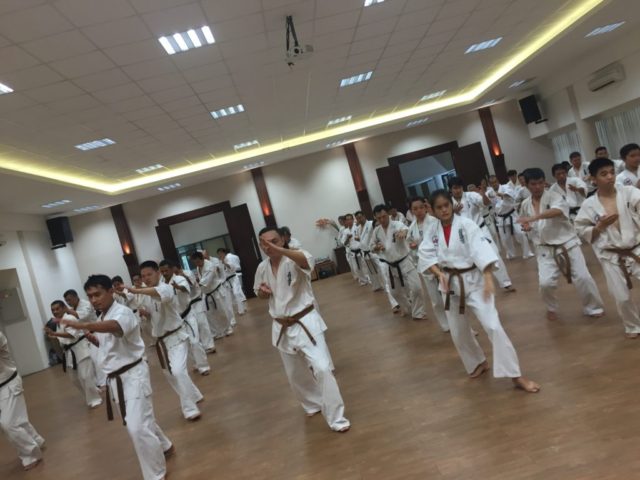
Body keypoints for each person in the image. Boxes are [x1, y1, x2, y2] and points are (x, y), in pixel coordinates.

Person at [418, 190, 540, 393]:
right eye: (439, 207)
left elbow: (481, 252)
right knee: (458, 331)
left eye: (446, 205)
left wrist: (488, 278)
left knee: (493, 326)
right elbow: (425, 254)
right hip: (449, 284)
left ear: (451, 205)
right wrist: (438, 273)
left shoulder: (467, 225)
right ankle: (477, 362)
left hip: (474, 281)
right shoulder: (432, 230)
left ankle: (516, 375)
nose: (444, 210)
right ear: (432, 210)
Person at [61, 275, 173, 480]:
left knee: (137, 427)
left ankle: (156, 474)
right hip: (116, 380)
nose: (94, 300)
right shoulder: (101, 318)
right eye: (90, 296)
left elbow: (115, 327)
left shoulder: (122, 312)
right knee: (137, 420)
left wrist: (83, 326)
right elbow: (110, 345)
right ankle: (165, 445)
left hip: (133, 375)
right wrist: (96, 340)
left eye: (98, 294)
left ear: (111, 292)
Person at [254, 227, 350, 432]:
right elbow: (259, 294)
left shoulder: (296, 257)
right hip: (281, 325)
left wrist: (280, 250)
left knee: (322, 368)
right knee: (295, 375)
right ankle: (313, 402)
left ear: (283, 240)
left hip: (305, 321)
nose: (268, 246)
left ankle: (337, 417)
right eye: (263, 243)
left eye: (273, 241)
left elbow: (306, 262)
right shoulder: (262, 267)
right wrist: (263, 293)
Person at [518, 168, 604, 321]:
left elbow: (557, 211)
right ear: (527, 185)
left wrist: (533, 218)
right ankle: (551, 307)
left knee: (583, 277)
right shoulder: (525, 204)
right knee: (545, 284)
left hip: (568, 243)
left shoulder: (555, 196)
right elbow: (526, 222)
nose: (537, 187)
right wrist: (527, 226)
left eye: (540, 183)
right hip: (544, 248)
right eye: (533, 184)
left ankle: (593, 307)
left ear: (544, 182)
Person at [129, 261, 203, 420]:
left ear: (158, 273)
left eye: (149, 274)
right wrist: (146, 313)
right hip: (161, 341)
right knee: (170, 375)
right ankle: (195, 394)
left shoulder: (166, 288)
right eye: (143, 276)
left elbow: (158, 295)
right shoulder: (145, 295)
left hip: (176, 336)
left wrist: (134, 290)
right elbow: (152, 313)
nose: (146, 278)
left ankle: (190, 409)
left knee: (178, 371)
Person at [575, 158, 640, 338]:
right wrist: (599, 227)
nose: (610, 177)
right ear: (593, 179)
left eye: (612, 172)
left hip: (636, 249)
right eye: (604, 174)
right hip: (610, 255)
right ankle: (632, 326)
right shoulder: (589, 204)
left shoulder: (629, 192)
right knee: (622, 297)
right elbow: (580, 228)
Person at [450, 177, 516, 292]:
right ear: (450, 189)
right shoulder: (449, 202)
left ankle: (506, 282)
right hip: (464, 236)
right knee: (472, 262)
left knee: (494, 253)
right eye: (455, 188)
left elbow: (485, 203)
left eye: (459, 187)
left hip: (481, 230)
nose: (458, 190)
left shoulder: (471, 195)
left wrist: (483, 194)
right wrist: (454, 212)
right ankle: (478, 288)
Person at [370, 204, 425, 319]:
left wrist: (403, 233)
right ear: (375, 218)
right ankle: (407, 307)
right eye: (379, 218)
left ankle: (418, 312)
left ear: (388, 214)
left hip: (405, 261)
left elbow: (405, 229)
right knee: (394, 293)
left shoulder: (397, 224)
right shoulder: (376, 231)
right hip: (390, 265)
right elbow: (372, 246)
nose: (382, 220)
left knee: (416, 288)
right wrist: (376, 247)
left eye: (384, 216)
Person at [44, 300, 102, 408]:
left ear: (63, 308)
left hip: (80, 349)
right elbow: (63, 337)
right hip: (70, 353)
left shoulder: (70, 318)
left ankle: (95, 399)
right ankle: (93, 391)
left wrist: (55, 333)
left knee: (85, 376)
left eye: (57, 309)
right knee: (74, 379)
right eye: (53, 310)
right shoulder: (59, 322)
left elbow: (72, 335)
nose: (55, 311)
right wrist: (54, 336)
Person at [0, 331, 44, 471]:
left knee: (9, 424)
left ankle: (31, 454)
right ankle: (37, 440)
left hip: (8, 384)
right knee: (18, 420)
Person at [159, 260, 210, 376]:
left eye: (166, 270)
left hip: (188, 315)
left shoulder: (179, 279)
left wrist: (178, 287)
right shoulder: (162, 284)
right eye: (162, 271)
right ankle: (196, 363)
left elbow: (185, 289)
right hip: (176, 320)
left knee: (194, 341)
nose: (164, 273)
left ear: (172, 269)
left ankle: (204, 366)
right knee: (185, 344)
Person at [407, 197, 449, 331]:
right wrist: (413, 247)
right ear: (411, 211)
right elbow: (410, 245)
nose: (419, 211)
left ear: (425, 207)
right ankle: (445, 324)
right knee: (436, 299)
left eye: (421, 207)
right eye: (415, 209)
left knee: (450, 296)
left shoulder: (435, 221)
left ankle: (461, 325)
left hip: (440, 263)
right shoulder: (411, 228)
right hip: (426, 267)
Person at [64, 289, 106, 389]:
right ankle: (97, 383)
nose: (68, 302)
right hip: (85, 338)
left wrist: (67, 310)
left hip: (95, 333)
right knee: (91, 361)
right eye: (66, 301)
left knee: (98, 359)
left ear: (76, 296)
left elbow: (82, 316)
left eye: (69, 299)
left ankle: (103, 382)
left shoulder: (86, 304)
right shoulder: (72, 309)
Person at [191, 251, 235, 339]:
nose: (197, 264)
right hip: (207, 294)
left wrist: (196, 284)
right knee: (210, 314)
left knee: (222, 311)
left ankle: (228, 328)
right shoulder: (199, 267)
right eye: (195, 263)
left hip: (216, 291)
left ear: (202, 259)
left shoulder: (210, 266)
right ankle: (218, 332)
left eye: (198, 262)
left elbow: (206, 281)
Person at [489, 175, 534, 259]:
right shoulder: (489, 192)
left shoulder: (506, 187)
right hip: (501, 218)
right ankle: (510, 254)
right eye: (492, 183)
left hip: (512, 214)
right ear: (490, 184)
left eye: (495, 182)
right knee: (505, 239)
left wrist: (499, 194)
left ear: (498, 181)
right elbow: (487, 202)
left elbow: (510, 195)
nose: (494, 184)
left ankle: (527, 252)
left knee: (521, 233)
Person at [176, 263, 215, 354]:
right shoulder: (171, 279)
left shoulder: (188, 273)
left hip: (196, 301)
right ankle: (200, 347)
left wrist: (184, 276)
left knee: (202, 323)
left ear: (180, 268)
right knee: (193, 328)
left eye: (177, 271)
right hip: (186, 307)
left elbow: (192, 285)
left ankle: (209, 345)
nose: (176, 274)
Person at [217, 248, 247, 316]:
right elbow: (221, 273)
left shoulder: (228, 259)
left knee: (236, 293)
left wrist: (224, 263)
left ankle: (241, 310)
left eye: (221, 253)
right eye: (218, 254)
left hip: (234, 278)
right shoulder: (219, 262)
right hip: (227, 281)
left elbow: (232, 267)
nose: (220, 255)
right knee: (230, 297)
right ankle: (241, 308)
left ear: (224, 253)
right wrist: (218, 269)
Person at [348, 213, 371, 286]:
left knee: (365, 266)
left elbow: (362, 238)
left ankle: (368, 279)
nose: (349, 221)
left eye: (350, 219)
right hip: (352, 251)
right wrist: (348, 238)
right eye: (347, 220)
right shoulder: (346, 231)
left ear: (353, 219)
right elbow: (343, 242)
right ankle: (363, 280)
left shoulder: (357, 227)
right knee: (356, 268)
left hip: (361, 250)